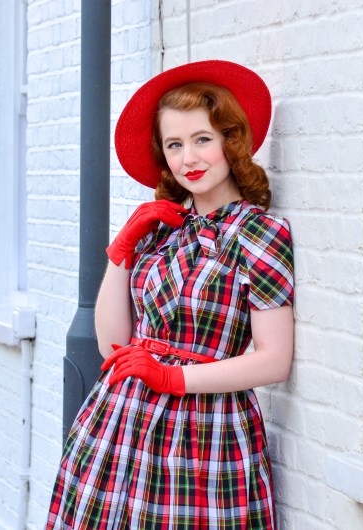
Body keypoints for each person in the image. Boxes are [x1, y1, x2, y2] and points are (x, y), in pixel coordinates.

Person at [46, 60, 295, 530]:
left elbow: (274, 360)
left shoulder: (259, 235)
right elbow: (113, 347)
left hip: (204, 429)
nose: (189, 159)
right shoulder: (162, 231)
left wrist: (169, 377)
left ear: (230, 140)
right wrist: (122, 251)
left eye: (202, 139)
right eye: (174, 145)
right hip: (121, 422)